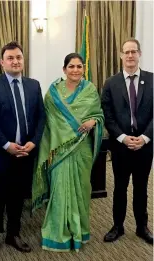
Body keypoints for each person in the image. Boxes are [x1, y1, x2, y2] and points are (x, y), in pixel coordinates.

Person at [32, 53, 104, 252]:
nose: (75, 70)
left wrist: (94, 121)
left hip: (82, 149)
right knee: (60, 190)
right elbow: (49, 123)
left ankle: (79, 231)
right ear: (64, 69)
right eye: (71, 66)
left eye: (79, 66)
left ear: (83, 69)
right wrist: (60, 140)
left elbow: (98, 114)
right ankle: (58, 234)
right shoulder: (53, 92)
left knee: (81, 190)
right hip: (59, 150)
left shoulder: (90, 90)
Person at [0, 41, 46, 255]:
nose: (15, 61)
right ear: (2, 62)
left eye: (18, 57)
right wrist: (7, 145)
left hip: (26, 151)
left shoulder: (33, 85)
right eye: (10, 58)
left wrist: (33, 142)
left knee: (18, 194)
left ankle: (13, 234)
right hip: (1, 152)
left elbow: (41, 118)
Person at [101, 38, 153, 244]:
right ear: (121, 56)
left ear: (140, 54)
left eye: (134, 51)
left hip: (145, 146)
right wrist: (123, 138)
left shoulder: (152, 80)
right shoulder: (110, 83)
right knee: (120, 187)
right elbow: (107, 114)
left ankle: (142, 227)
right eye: (126, 52)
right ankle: (117, 226)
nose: (130, 56)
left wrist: (145, 137)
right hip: (120, 146)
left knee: (141, 187)